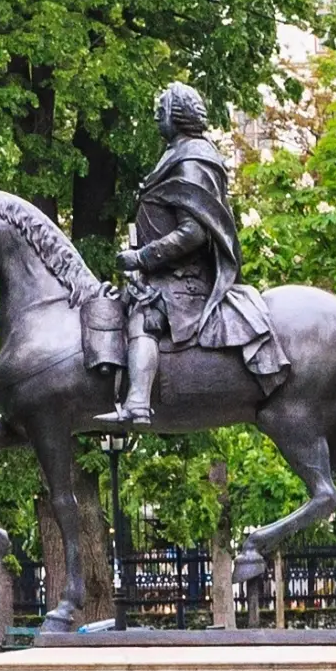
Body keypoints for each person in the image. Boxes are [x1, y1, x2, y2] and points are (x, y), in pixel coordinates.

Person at [109, 83, 286, 427]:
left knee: (142, 318)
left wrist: (144, 257)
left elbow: (194, 233)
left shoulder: (192, 159)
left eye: (161, 109)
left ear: (177, 116)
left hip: (183, 280)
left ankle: (137, 404)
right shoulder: (178, 153)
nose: (156, 115)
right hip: (166, 273)